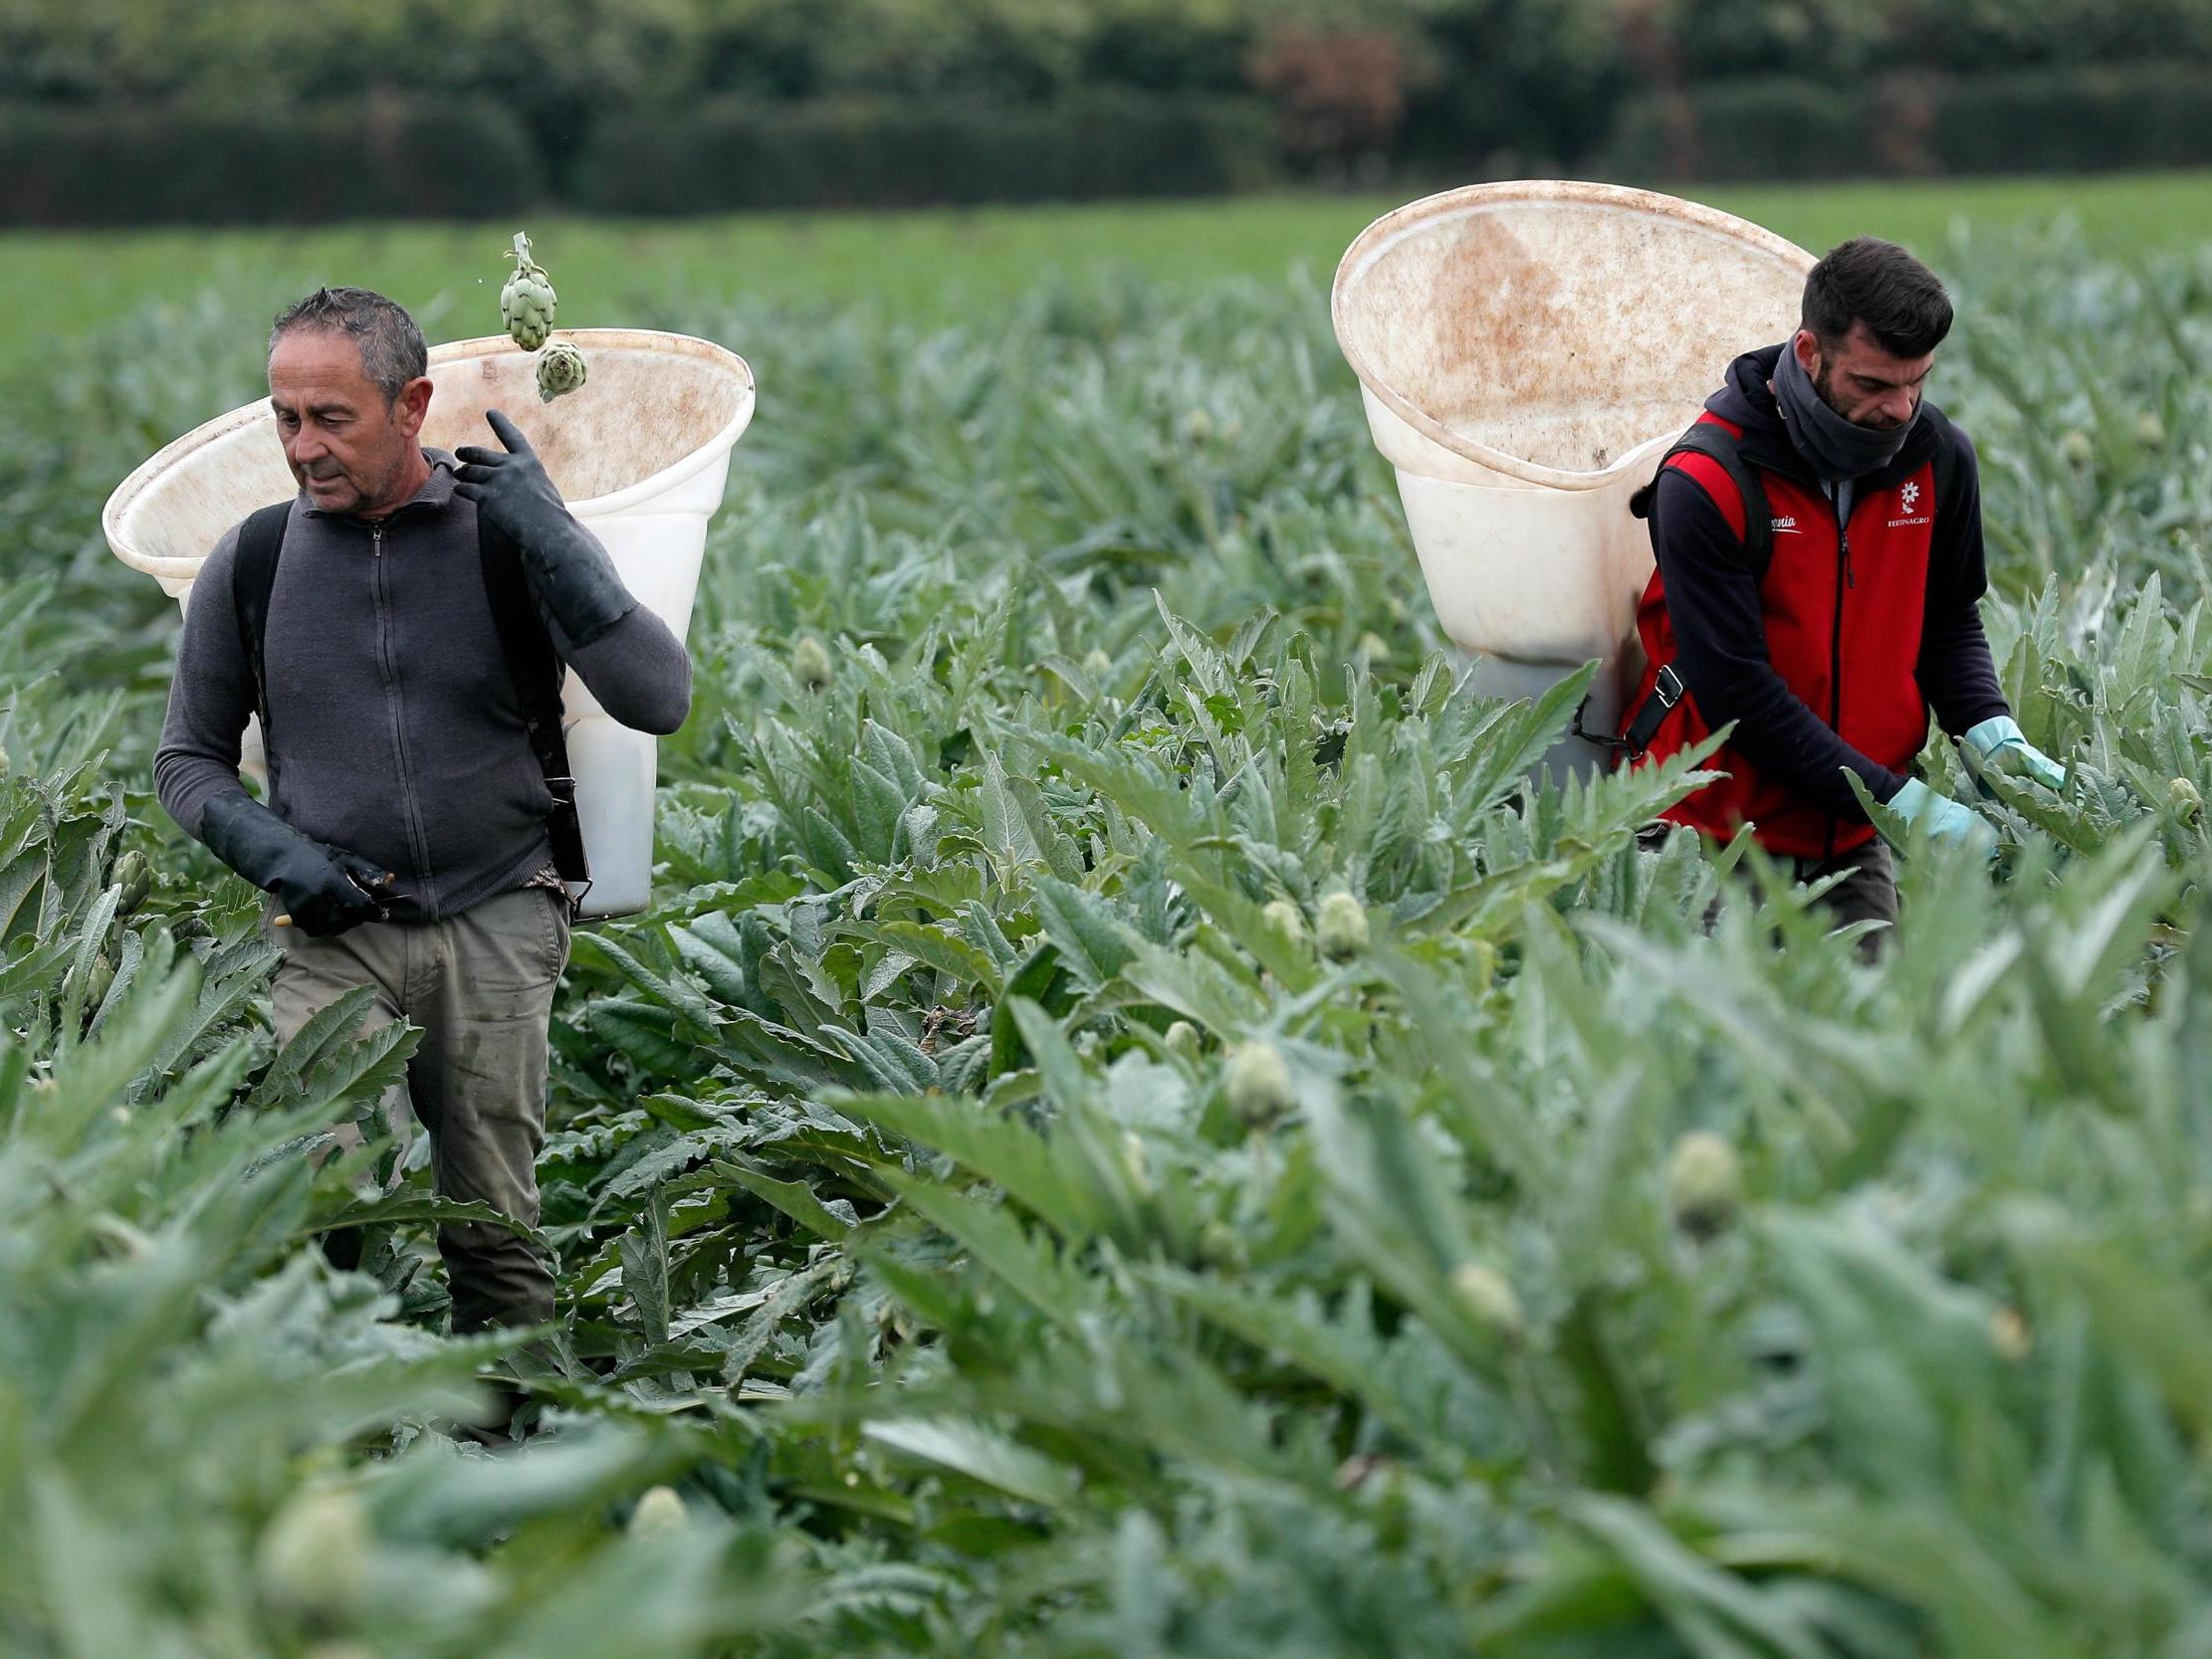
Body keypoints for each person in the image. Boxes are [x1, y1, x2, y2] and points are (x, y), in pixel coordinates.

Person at [155, 288, 691, 1419]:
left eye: (330, 418)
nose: (303, 447)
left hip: (498, 915)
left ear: (412, 405)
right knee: (323, 1207)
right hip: (331, 937)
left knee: (493, 1227)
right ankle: (333, 1454)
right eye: (284, 417)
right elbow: (189, 762)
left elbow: (658, 698)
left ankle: (518, 1476)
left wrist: (564, 549)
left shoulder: (507, 539)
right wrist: (273, 853)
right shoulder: (251, 562)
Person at [1623, 236, 2064, 935]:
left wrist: (1985, 724)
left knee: (1883, 1034)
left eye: (1916, 381)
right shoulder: (1708, 481)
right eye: (1874, 384)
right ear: (1807, 353)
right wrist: (1901, 804)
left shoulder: (1940, 461)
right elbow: (1739, 696)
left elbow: (1946, 619)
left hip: (1848, 838)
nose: (1900, 408)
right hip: (1704, 836)